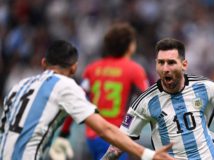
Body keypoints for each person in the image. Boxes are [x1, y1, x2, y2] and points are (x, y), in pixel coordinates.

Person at [0, 40, 174, 160]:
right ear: (74, 67)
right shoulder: (65, 85)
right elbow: (104, 129)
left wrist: (60, 137)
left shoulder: (19, 86)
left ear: (43, 63)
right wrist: (148, 154)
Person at [49, 22, 149, 160]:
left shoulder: (92, 69)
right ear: (130, 46)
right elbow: (149, 102)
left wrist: (64, 132)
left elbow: (76, 101)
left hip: (93, 136)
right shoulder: (135, 70)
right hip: (117, 136)